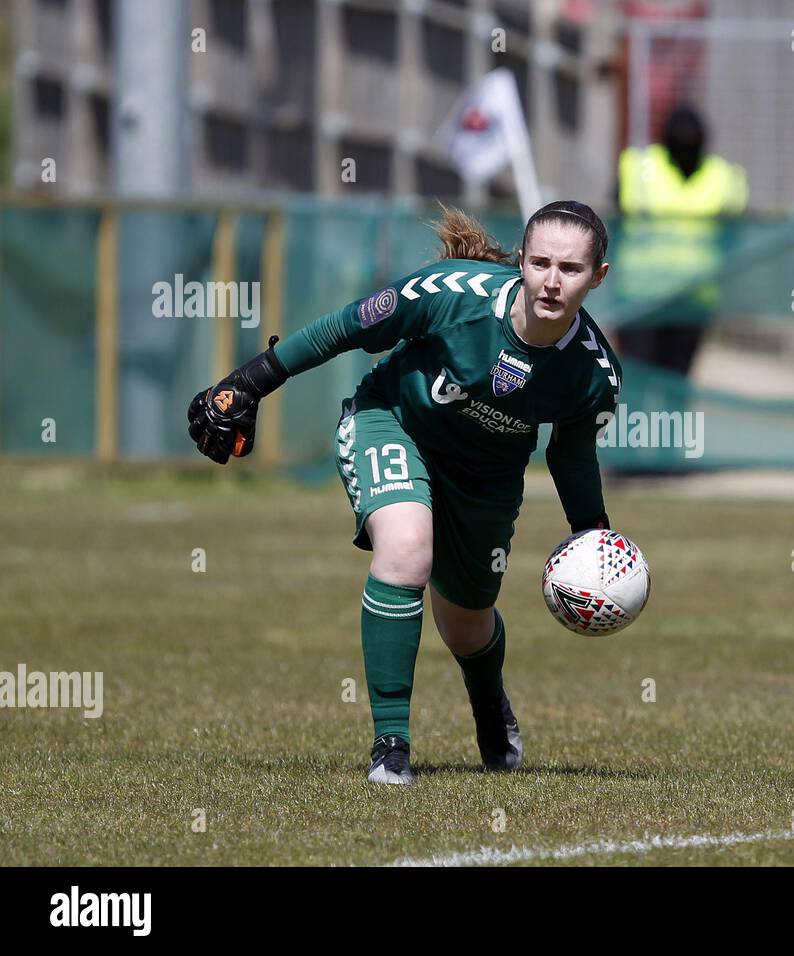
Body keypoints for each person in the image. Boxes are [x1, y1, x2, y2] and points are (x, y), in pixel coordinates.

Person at [186, 201, 622, 784]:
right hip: (390, 422)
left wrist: (594, 539)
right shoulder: (451, 294)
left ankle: (489, 703)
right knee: (408, 549)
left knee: (467, 626)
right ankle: (391, 747)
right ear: (519, 261)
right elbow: (347, 326)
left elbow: (571, 453)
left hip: (487, 477)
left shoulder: (595, 372)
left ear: (598, 276)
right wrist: (251, 381)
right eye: (539, 262)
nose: (550, 280)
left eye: (569, 269)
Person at [615, 104, 747, 376]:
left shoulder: (723, 176)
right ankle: (641, 422)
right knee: (638, 380)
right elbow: (611, 226)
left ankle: (672, 422)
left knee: (676, 383)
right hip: (640, 297)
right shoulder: (639, 168)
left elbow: (734, 236)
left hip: (693, 299)